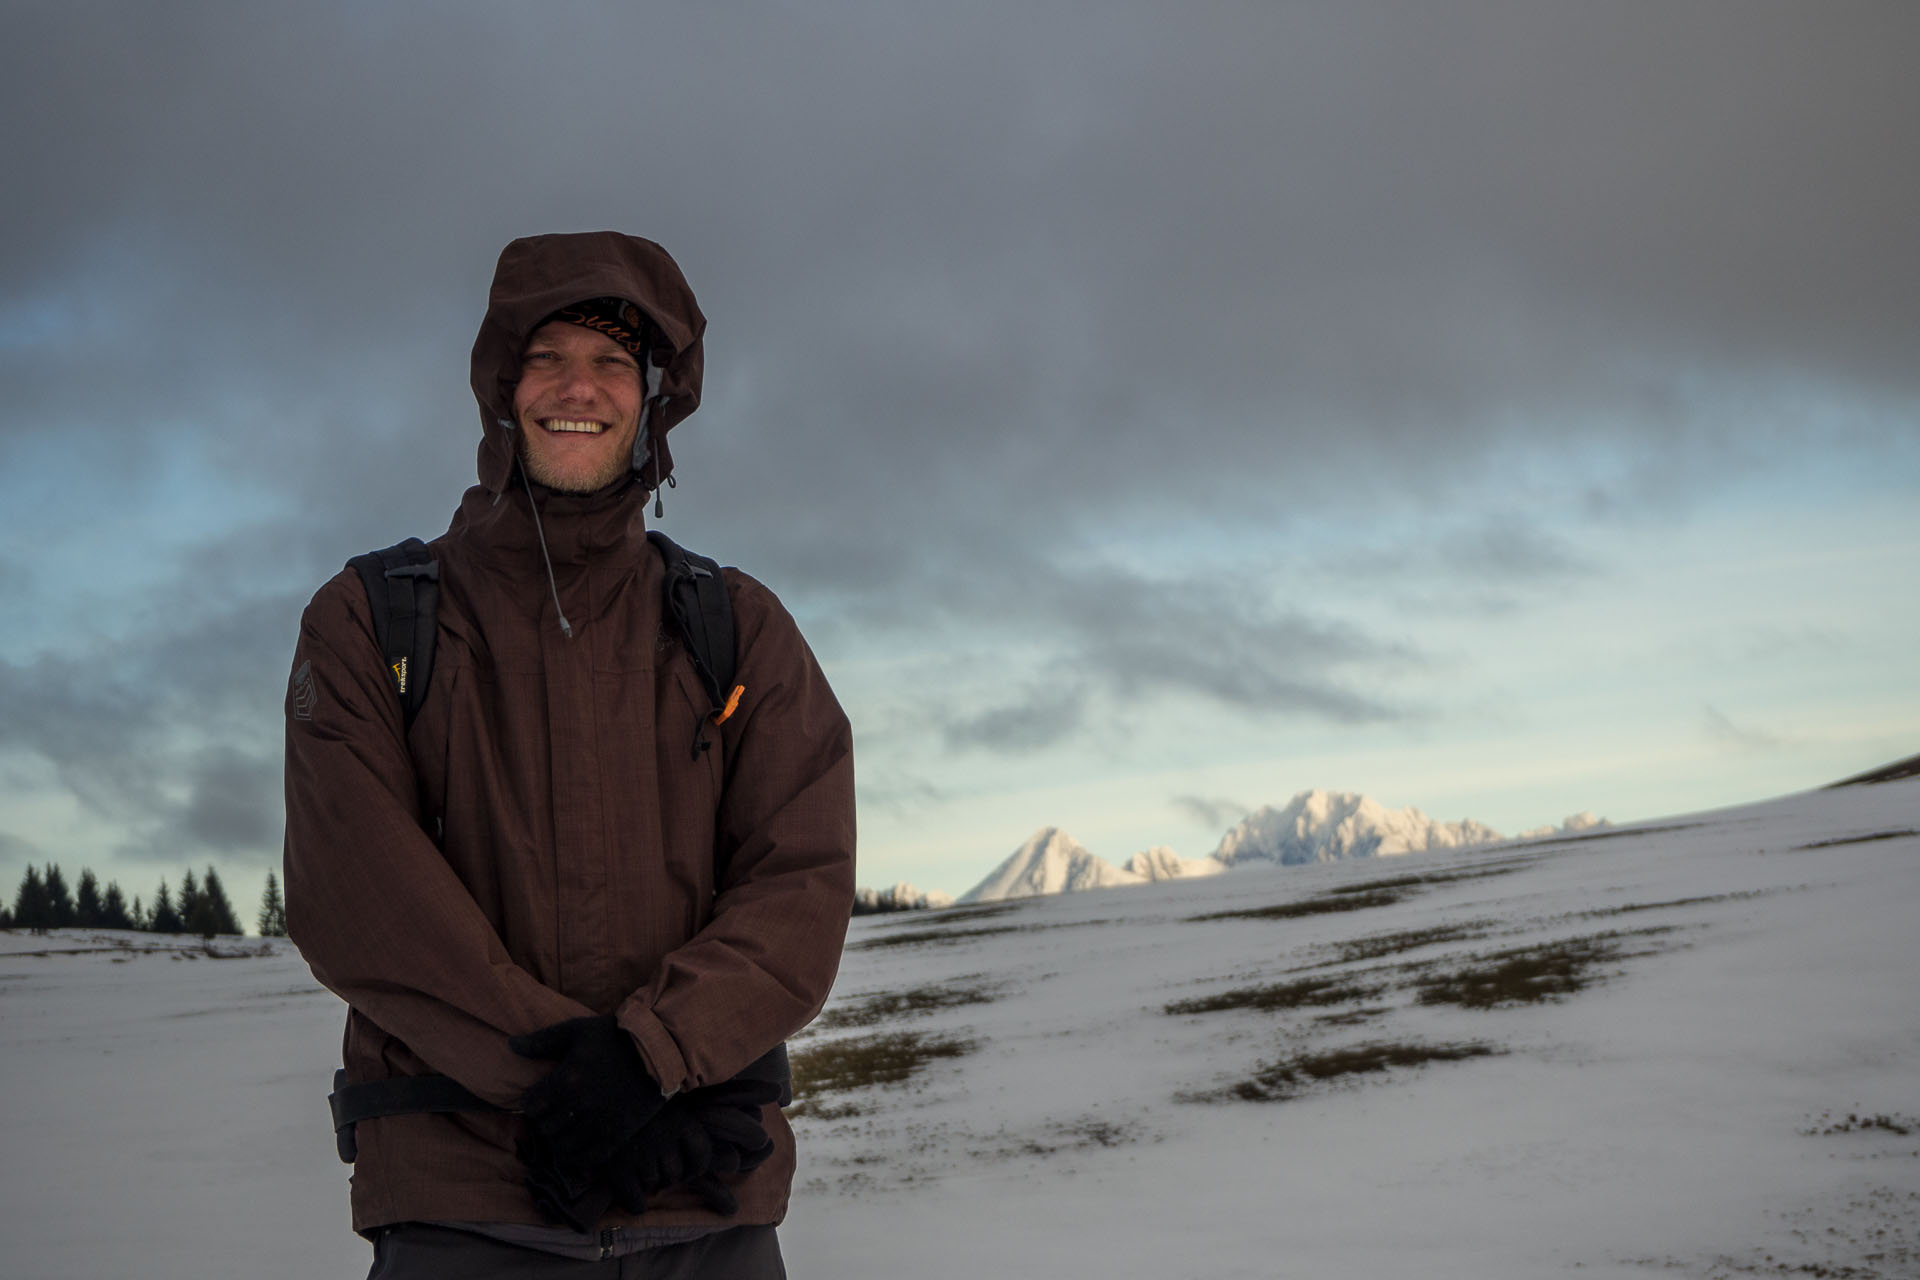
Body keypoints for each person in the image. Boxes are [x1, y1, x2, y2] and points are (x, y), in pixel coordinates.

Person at [283, 231, 856, 1277]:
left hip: (702, 1204)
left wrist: (651, 1059)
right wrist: (588, 1080)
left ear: (654, 398)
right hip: (465, 1210)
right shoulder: (371, 620)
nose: (577, 387)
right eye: (547, 356)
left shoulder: (738, 627)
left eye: (611, 362)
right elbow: (354, 893)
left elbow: (800, 884)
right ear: (501, 387)